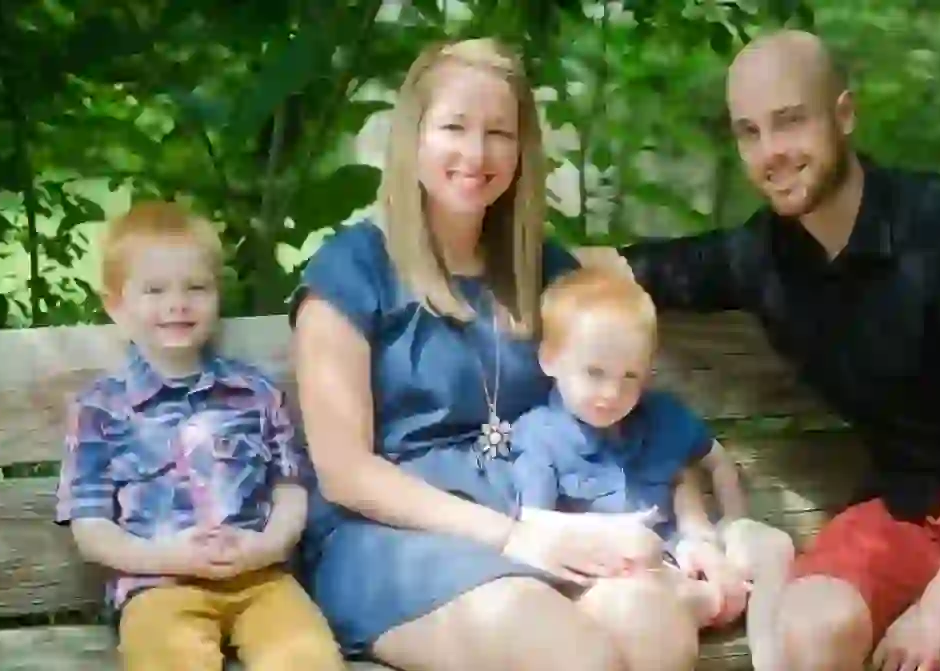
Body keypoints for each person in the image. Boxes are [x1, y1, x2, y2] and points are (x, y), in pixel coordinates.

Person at [580, 29, 940, 671]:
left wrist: (937, 605)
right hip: (911, 505)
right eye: (749, 132)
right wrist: (492, 262)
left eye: (790, 122)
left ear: (843, 116)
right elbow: (634, 267)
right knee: (805, 631)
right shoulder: (765, 256)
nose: (772, 152)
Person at [289, 38, 700, 671]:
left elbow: (637, 411)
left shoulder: (547, 271)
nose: (476, 154)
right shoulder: (353, 271)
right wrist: (515, 535)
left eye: (499, 133)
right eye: (454, 126)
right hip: (393, 541)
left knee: (652, 624)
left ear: (523, 150)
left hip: (541, 523)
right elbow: (345, 471)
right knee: (571, 655)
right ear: (414, 137)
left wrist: (694, 528)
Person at [53, 201, 345, 671]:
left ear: (216, 295)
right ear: (117, 306)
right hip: (158, 586)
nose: (177, 303)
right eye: (154, 290)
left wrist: (267, 546)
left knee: (308, 658)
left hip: (260, 579)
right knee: (169, 658)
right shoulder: (101, 410)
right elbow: (90, 528)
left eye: (196, 287)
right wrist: (160, 556)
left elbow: (289, 488)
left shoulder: (255, 393)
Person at [505, 266, 795, 669]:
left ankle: (771, 660)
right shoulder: (539, 435)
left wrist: (727, 528)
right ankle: (702, 600)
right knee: (641, 576)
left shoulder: (655, 417)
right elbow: (533, 522)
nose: (612, 393)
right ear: (550, 359)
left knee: (772, 546)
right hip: (614, 579)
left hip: (683, 559)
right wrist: (618, 536)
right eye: (594, 373)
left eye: (630, 377)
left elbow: (703, 465)